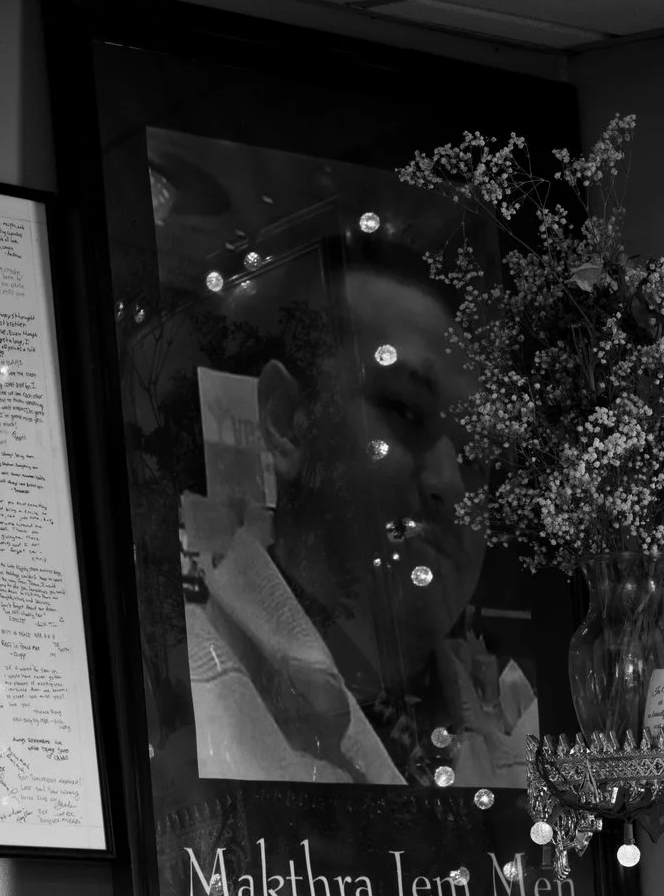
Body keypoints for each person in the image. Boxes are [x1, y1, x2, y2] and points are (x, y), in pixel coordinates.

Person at [180, 255, 528, 789]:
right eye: (406, 411)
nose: (452, 484)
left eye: (479, 453)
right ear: (285, 423)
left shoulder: (525, 751)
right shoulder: (187, 695)